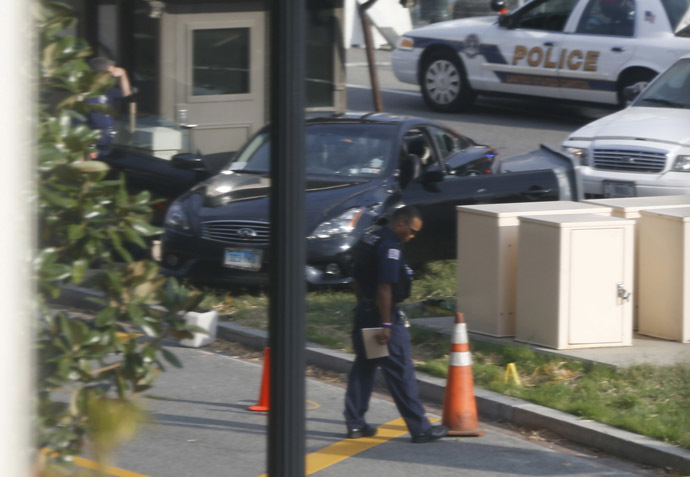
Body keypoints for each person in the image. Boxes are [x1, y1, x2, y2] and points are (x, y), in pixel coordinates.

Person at [344, 206, 448, 443]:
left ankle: (355, 424)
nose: (411, 237)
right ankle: (420, 429)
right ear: (400, 223)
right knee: (401, 371)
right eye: (411, 231)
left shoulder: (371, 237)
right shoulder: (389, 246)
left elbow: (358, 278)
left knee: (365, 367)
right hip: (383, 315)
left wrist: (364, 306)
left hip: (365, 312)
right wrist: (387, 324)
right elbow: (385, 287)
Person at [86, 57, 132, 156]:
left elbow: (126, 93)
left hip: (108, 143)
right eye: (111, 72)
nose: (112, 75)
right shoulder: (86, 93)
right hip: (92, 146)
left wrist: (123, 75)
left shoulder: (108, 90)